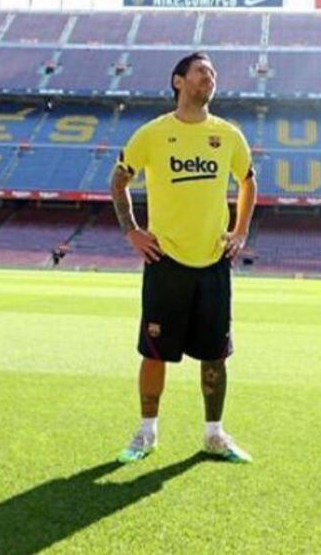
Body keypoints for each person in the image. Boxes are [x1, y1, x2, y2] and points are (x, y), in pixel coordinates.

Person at [109, 51, 257, 464]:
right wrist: (131, 230)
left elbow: (248, 181)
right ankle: (146, 433)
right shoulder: (153, 134)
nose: (208, 78)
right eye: (200, 72)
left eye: (212, 73)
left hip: (213, 262)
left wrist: (241, 230)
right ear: (178, 81)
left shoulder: (227, 135)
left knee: (215, 354)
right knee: (154, 353)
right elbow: (119, 179)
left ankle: (214, 435)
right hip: (165, 261)